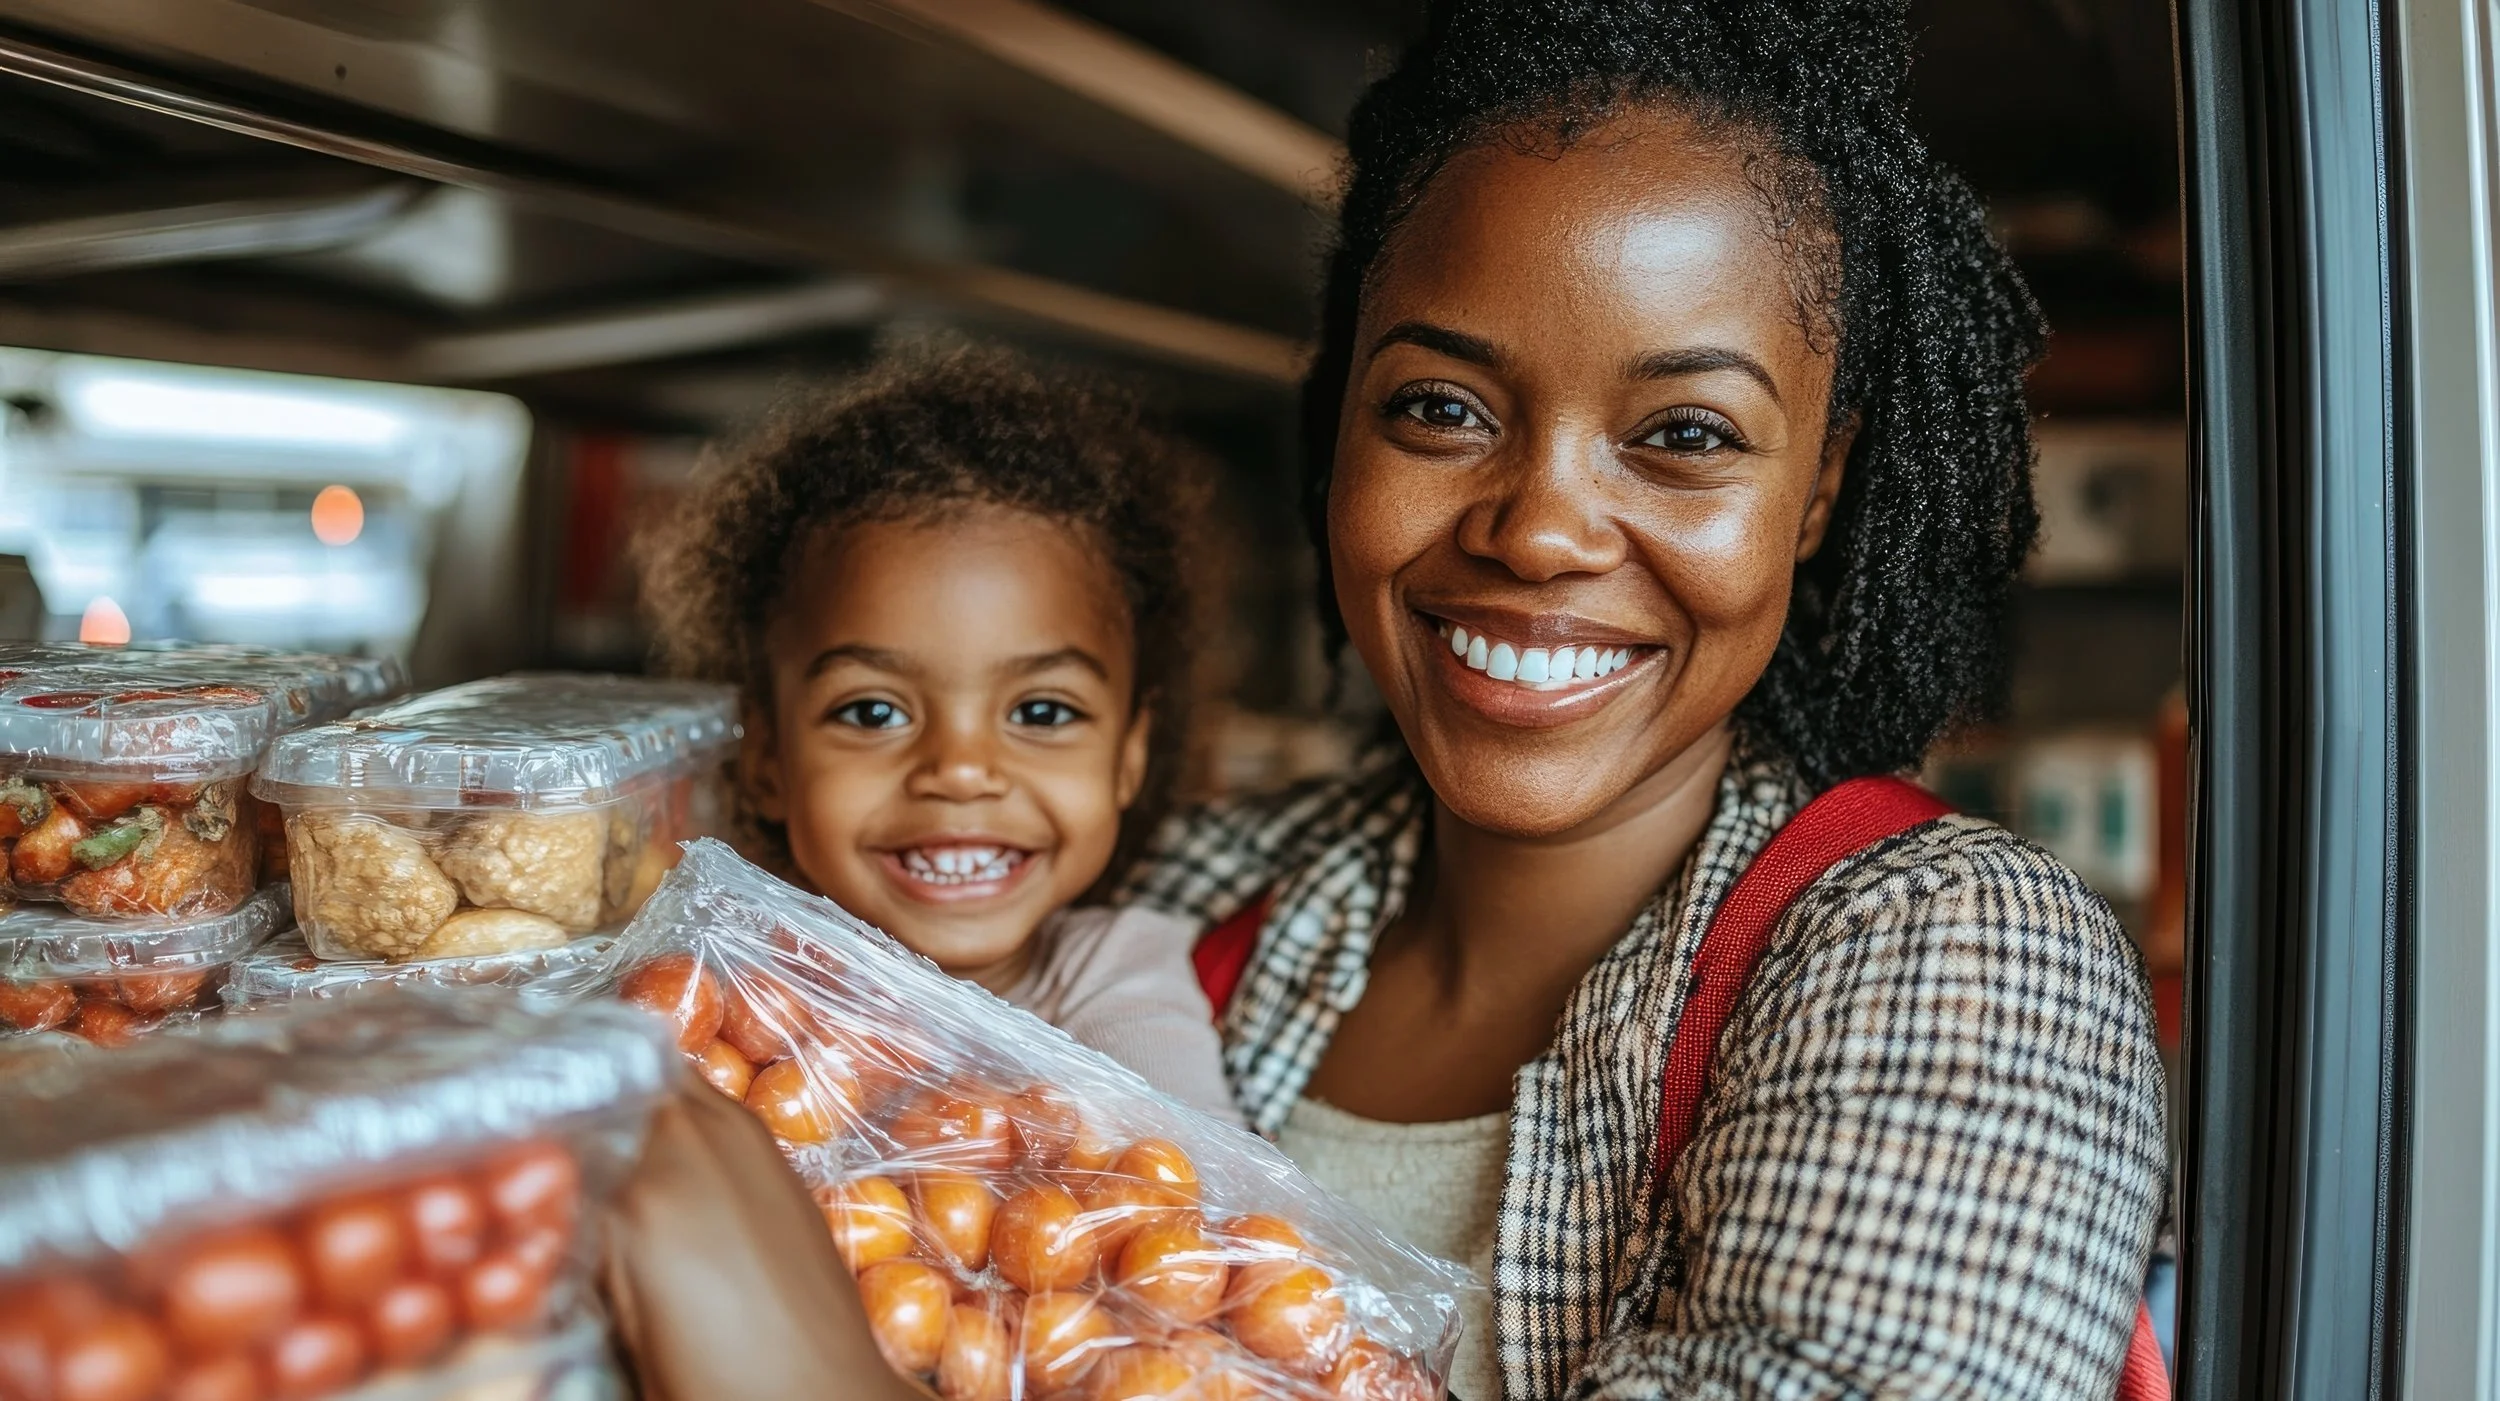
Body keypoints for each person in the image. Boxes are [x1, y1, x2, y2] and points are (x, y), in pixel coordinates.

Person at [1113, 0, 2167, 1396]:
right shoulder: (1173, 902)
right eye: (1440, 408)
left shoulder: (1955, 966)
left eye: (1684, 435)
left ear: (1819, 492)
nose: (1541, 529)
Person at [640, 345, 1239, 1122]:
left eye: (1041, 712)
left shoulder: (1121, 973)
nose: (959, 770)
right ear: (767, 759)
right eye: (874, 711)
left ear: (1129, 756)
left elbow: (1189, 1195)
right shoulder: (720, 981)